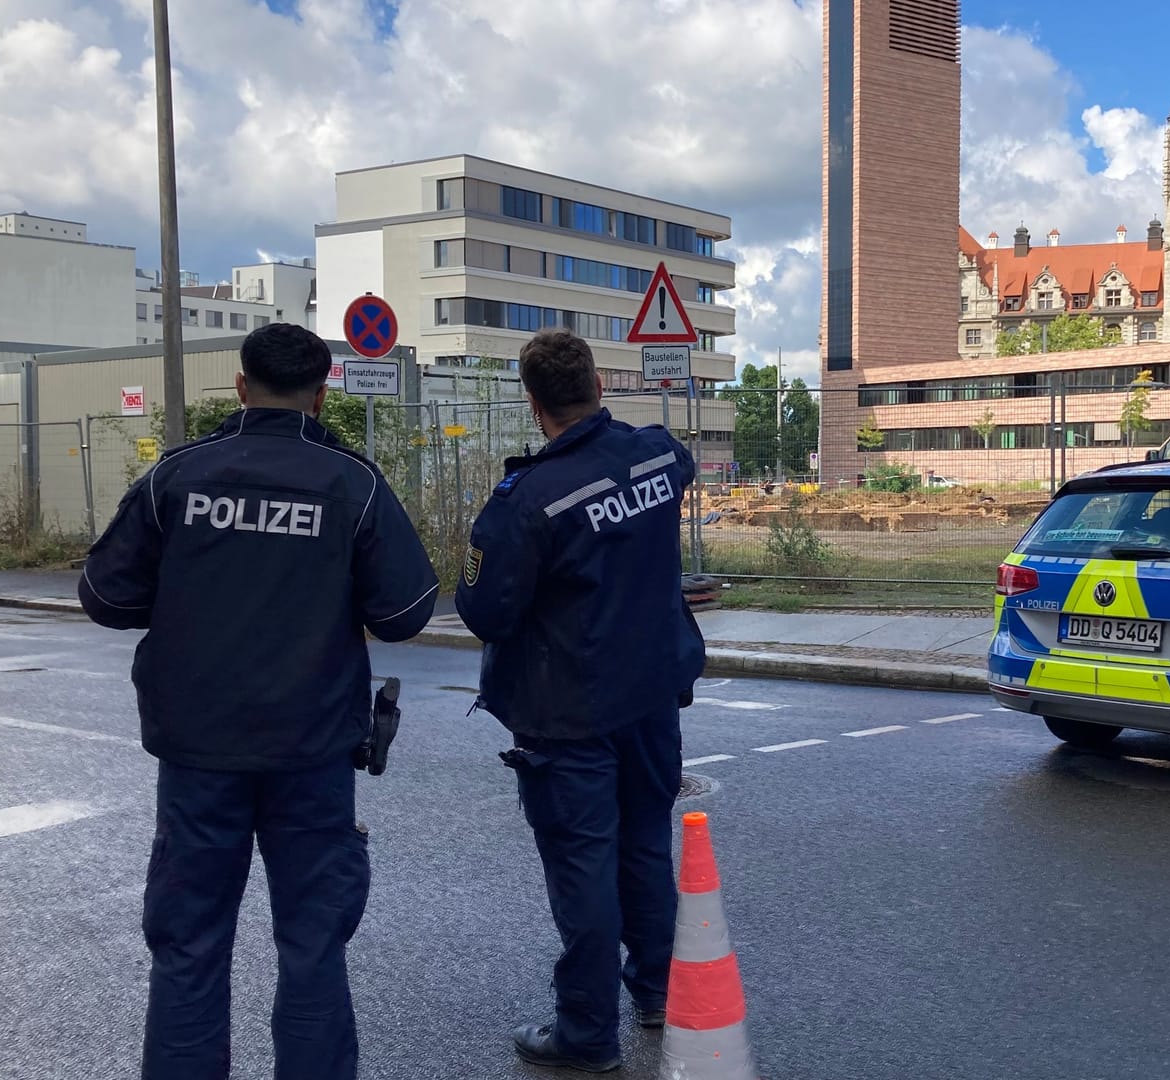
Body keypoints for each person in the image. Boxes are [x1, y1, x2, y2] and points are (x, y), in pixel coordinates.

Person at [79, 323, 440, 1079]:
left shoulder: (176, 478)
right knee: (312, 945)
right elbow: (406, 613)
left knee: (189, 944)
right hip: (312, 752)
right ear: (320, 395)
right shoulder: (354, 484)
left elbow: (105, 596)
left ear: (241, 387)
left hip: (198, 753)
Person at [456, 327, 705, 1074]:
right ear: (599, 384)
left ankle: (587, 1033)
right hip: (652, 696)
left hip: (570, 713)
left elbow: (484, 611)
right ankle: (657, 992)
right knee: (642, 846)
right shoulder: (661, 452)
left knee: (582, 865)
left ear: (533, 405)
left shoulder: (527, 501)